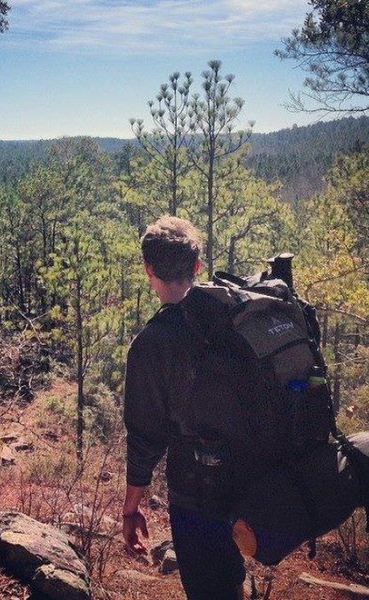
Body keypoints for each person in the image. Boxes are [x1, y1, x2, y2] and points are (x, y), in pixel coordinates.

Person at [122, 215, 246, 600]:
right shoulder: (233, 316)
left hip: (197, 491)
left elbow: (145, 440)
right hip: (251, 476)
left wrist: (131, 509)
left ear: (148, 271)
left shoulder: (151, 343)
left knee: (209, 587)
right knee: (229, 578)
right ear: (197, 267)